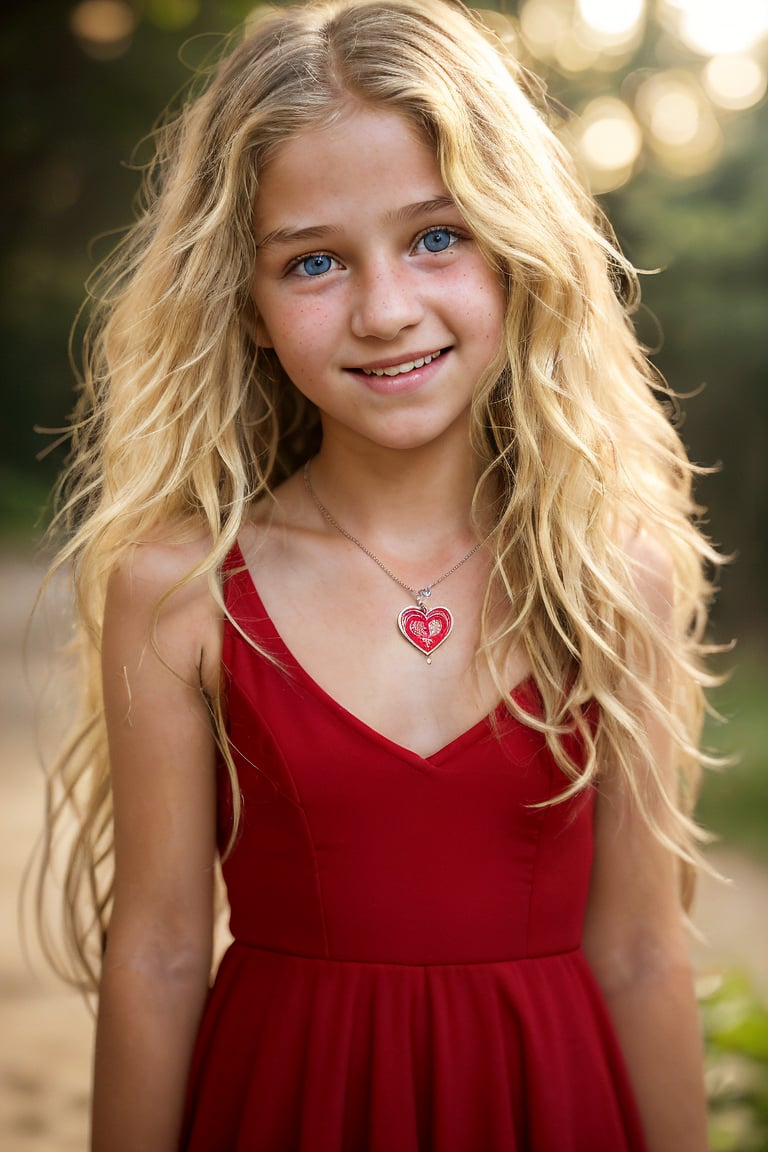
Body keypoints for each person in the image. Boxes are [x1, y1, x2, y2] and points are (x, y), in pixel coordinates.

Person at [37, 0, 723, 1148]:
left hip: (547, 1109)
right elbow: (157, 952)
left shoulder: (614, 580)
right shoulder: (180, 587)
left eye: (437, 236)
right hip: (284, 1106)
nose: (387, 308)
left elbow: (643, 949)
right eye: (313, 261)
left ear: (517, 247)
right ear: (247, 308)